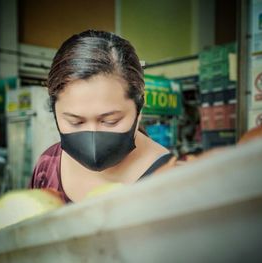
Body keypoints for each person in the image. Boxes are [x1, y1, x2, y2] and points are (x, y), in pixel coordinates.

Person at [29, 30, 176, 203]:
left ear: (139, 108)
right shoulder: (48, 165)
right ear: (54, 111)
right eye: (75, 122)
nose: (92, 135)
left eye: (110, 121)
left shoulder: (171, 180)